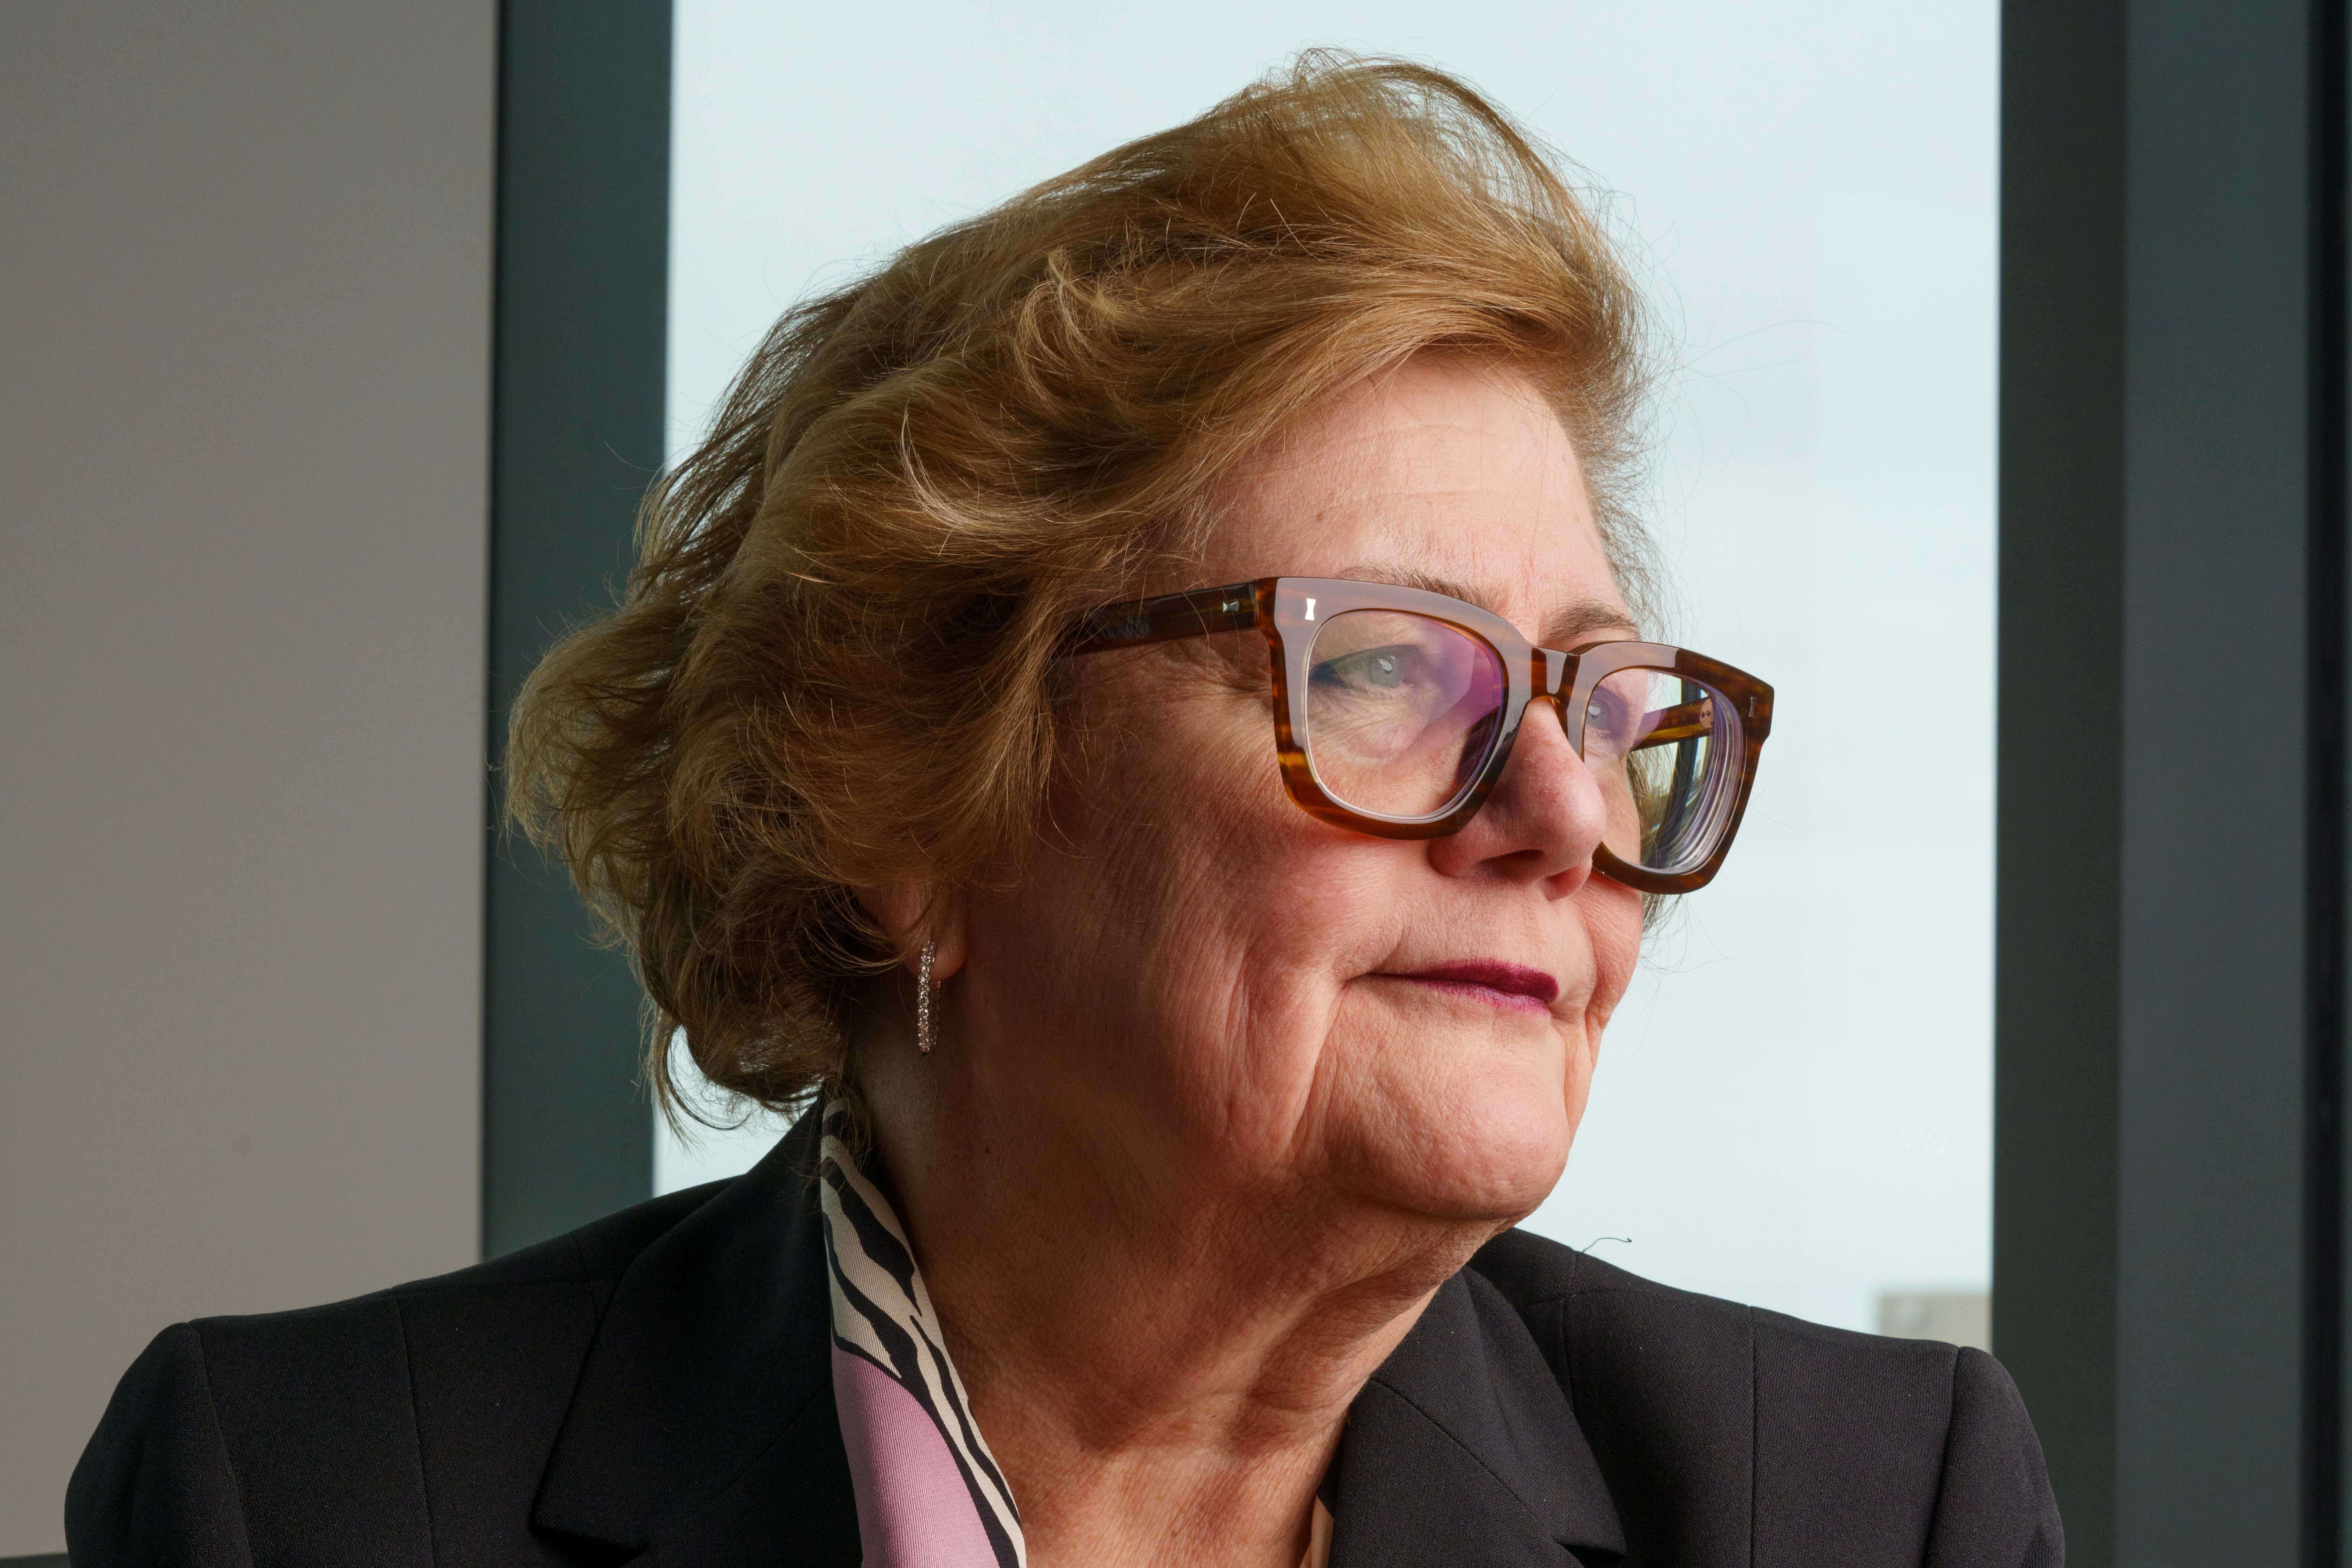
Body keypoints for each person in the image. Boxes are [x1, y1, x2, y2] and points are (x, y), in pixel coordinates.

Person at [67, 54, 2060, 1568]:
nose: (1559, 811)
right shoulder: (311, 1491)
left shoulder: (1868, 1509)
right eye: (1377, 668)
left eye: (1604, 700)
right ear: (909, 802)